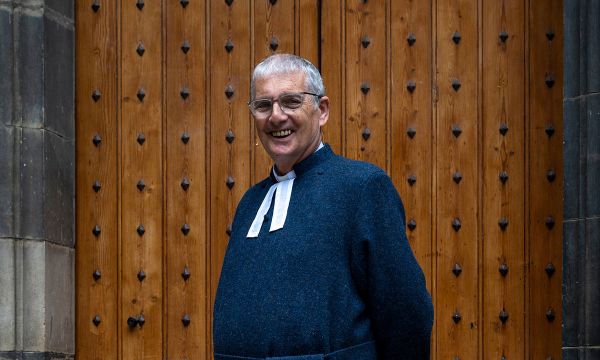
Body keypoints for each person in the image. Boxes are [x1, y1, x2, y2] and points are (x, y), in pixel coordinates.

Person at [213, 54, 433, 360]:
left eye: (291, 101)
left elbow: (407, 315)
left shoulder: (362, 187)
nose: (275, 116)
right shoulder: (251, 202)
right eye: (263, 105)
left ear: (322, 110)